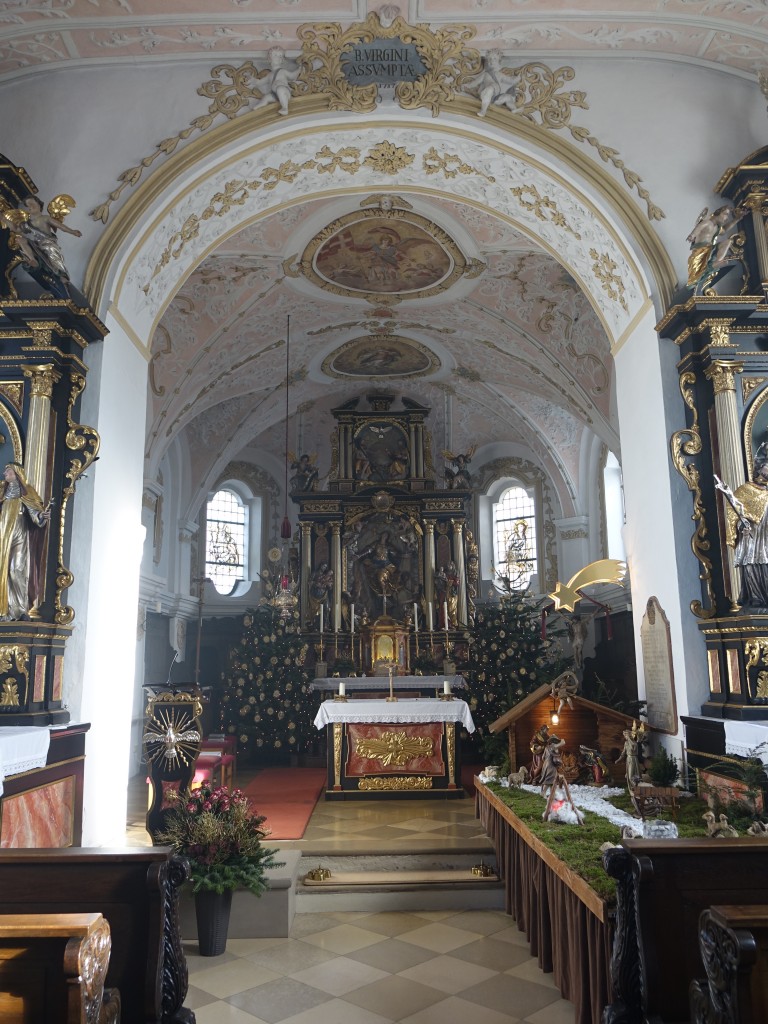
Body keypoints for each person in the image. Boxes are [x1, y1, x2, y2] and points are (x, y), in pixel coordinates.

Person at [1, 194, 82, 299]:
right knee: (20, 239)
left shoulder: (45, 218)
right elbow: (16, 229)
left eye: (32, 204)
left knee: (55, 261)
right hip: (38, 245)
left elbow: (61, 226)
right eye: (28, 205)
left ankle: (62, 277)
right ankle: (32, 260)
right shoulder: (28, 223)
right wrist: (5, 219)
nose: (30, 206)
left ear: (39, 205)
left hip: (49, 244)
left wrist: (73, 232)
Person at [0, 463, 50, 620]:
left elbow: (35, 513)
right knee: (4, 571)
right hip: (3, 538)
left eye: (8, 471)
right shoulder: (2, 493)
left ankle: (20, 609)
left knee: (17, 570)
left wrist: (42, 516)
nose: (4, 473)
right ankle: (5, 611)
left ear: (17, 473)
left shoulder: (27, 493)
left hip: (19, 536)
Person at [724, 457, 768, 607]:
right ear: (759, 469)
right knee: (752, 563)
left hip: (766, 536)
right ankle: (755, 597)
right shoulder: (745, 490)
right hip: (752, 536)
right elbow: (733, 511)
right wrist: (741, 525)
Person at [687, 204, 747, 295]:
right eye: (725, 214)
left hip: (711, 249)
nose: (726, 218)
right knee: (696, 275)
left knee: (728, 242)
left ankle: (719, 260)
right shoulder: (707, 223)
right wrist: (692, 235)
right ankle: (711, 266)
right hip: (701, 251)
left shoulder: (716, 227)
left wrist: (737, 219)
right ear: (718, 212)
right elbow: (698, 228)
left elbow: (725, 229)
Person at [464, 50, 520, 118]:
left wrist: (518, 77)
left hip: (495, 98)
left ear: (499, 61)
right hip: (485, 93)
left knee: (508, 97)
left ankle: (514, 109)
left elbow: (511, 81)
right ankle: (483, 110)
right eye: (490, 59)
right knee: (490, 89)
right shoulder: (486, 74)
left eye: (494, 59)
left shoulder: (500, 75)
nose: (492, 61)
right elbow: (475, 83)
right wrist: (466, 86)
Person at [253, 46, 301, 116]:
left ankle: (285, 108)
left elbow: (292, 76)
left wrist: (298, 70)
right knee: (266, 97)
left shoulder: (282, 71)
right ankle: (258, 106)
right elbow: (260, 83)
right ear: (270, 58)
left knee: (280, 89)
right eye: (275, 55)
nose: (278, 58)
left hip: (285, 91)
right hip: (274, 94)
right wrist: (253, 80)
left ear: (282, 60)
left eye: (280, 56)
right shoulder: (270, 75)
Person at [307, 562, 333, 626]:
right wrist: (316, 583)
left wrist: (329, 585)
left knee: (326, 609)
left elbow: (330, 587)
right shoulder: (315, 573)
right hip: (315, 596)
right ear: (320, 565)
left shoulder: (327, 576)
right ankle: (315, 624)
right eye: (324, 566)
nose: (324, 568)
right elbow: (309, 582)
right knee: (315, 612)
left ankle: (325, 625)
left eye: (326, 567)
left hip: (324, 595)